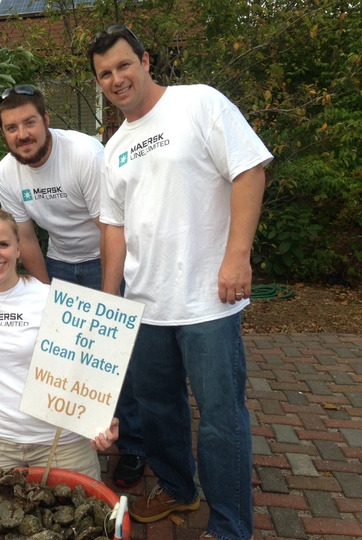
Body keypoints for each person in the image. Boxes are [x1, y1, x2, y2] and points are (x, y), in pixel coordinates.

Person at [88, 24, 273, 540]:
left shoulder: (199, 104)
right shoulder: (115, 147)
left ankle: (230, 525)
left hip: (207, 301)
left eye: (124, 65)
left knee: (220, 419)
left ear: (146, 61)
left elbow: (249, 171)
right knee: (158, 409)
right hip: (147, 305)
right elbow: (114, 227)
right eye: (105, 74)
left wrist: (237, 256)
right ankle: (177, 487)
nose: (116, 79)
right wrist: (109, 298)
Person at [0, 85, 146, 487]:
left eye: (29, 122)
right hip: (60, 262)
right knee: (68, 357)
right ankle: (82, 435)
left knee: (115, 358)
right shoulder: (6, 171)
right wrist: (46, 294)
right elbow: (26, 238)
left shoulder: (83, 155)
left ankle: (133, 445)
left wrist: (109, 295)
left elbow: (110, 227)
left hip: (105, 256)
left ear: (46, 120)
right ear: (4, 133)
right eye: (11, 127)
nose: (22, 134)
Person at [0, 207, 119, 481]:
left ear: (19, 249)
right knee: (0, 521)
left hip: (61, 439)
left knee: (92, 519)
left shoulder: (50, 298)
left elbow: (90, 361)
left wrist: (99, 418)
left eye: (3, 245)